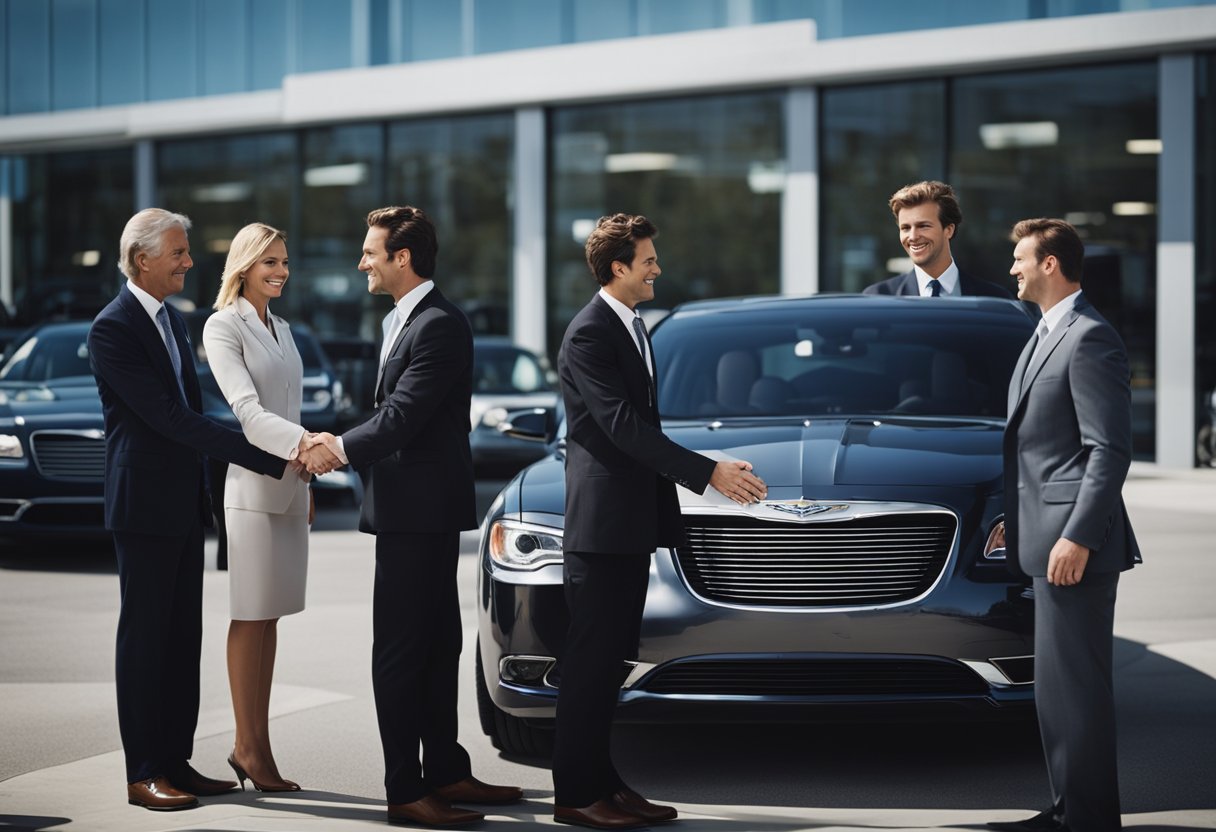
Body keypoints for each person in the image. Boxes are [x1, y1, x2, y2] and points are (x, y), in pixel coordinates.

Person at [302, 206, 521, 827]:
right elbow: (395, 417)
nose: (362, 262)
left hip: (422, 512)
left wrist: (334, 450)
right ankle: (414, 785)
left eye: (371, 252)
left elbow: (403, 416)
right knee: (409, 648)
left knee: (429, 647)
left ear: (403, 258)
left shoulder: (438, 325)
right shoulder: (402, 321)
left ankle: (437, 777)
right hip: (406, 513)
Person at [551, 213, 768, 830]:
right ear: (618, 267)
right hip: (600, 525)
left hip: (627, 521)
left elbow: (639, 428)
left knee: (613, 658)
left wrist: (708, 465)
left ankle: (605, 783)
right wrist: (708, 474)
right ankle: (575, 795)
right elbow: (622, 427)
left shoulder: (632, 324)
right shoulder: (590, 333)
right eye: (648, 260)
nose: (657, 269)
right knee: (591, 661)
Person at [88, 208, 293, 812]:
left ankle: (176, 760)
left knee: (181, 640)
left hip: (182, 505)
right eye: (177, 252)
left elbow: (191, 417)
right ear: (141, 259)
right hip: (142, 507)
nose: (188, 261)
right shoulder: (113, 328)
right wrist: (276, 457)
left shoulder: (174, 323)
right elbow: (173, 420)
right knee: (146, 640)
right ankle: (143, 771)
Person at [989, 218, 1140, 832]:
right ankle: (1069, 811)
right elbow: (1040, 449)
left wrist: (1077, 534)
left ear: (1051, 264)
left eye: (1021, 259)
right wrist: (1012, 518)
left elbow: (1108, 450)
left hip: (1074, 544)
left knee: (1076, 690)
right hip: (1041, 533)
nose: (1013, 269)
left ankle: (1089, 819)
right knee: (1056, 692)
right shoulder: (1046, 332)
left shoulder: (1089, 337)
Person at [202, 222, 333, 792]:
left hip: (290, 485)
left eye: (285, 262)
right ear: (244, 265)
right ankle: (248, 745)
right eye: (270, 263)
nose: (281, 272)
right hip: (252, 490)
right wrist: (306, 445)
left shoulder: (282, 327)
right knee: (249, 614)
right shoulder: (222, 326)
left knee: (272, 616)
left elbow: (292, 404)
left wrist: (305, 482)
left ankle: (254, 745)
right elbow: (248, 413)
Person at [863, 180, 1013, 298]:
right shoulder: (878, 298)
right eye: (905, 228)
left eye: (923, 226)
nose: (913, 237)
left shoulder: (995, 298)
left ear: (948, 230)